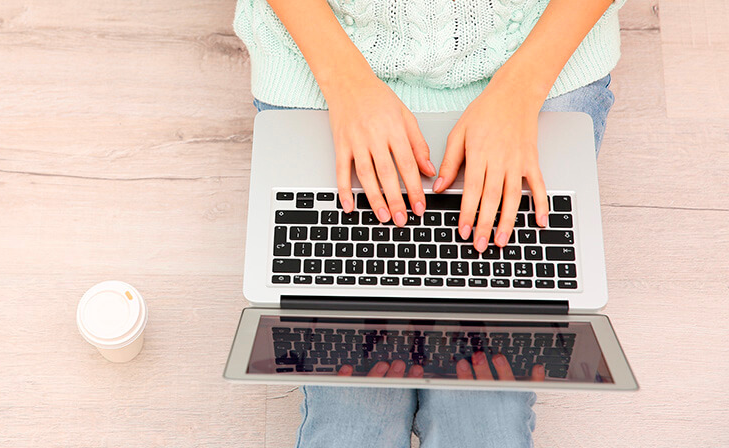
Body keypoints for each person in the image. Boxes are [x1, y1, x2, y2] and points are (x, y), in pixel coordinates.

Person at [233, 0, 622, 446]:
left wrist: (521, 89)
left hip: (541, 54)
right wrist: (346, 83)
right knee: (353, 413)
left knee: (483, 414)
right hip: (326, 50)